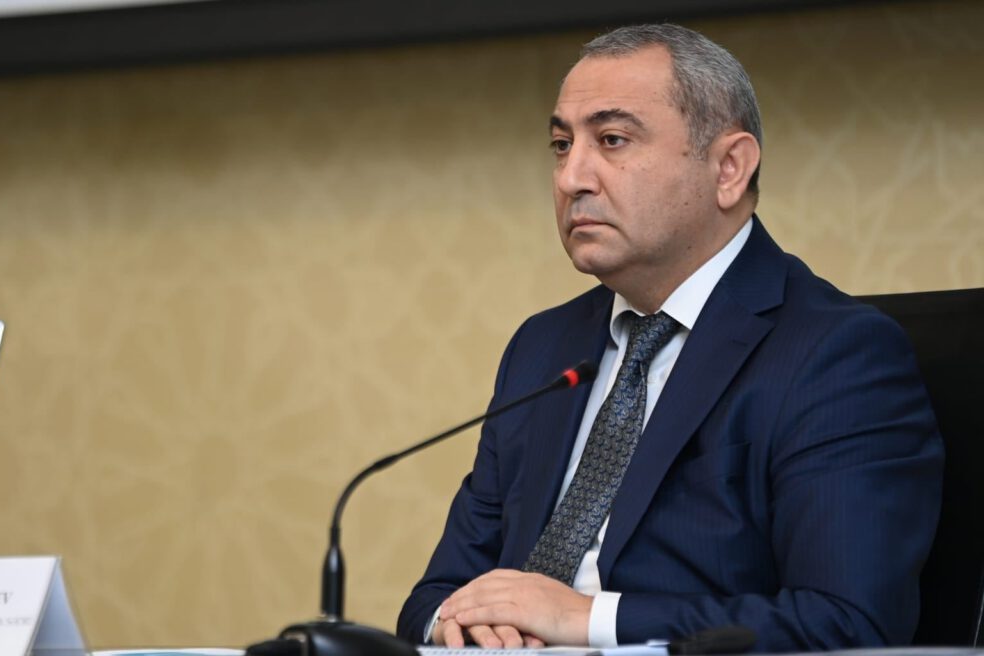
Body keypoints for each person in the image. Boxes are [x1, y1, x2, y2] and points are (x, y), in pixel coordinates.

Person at [396, 23, 943, 652]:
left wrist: (590, 620)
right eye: (561, 145)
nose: (571, 177)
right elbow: (435, 597)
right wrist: (459, 623)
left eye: (612, 140)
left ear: (729, 168)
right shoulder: (543, 347)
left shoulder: (835, 354)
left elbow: (847, 623)